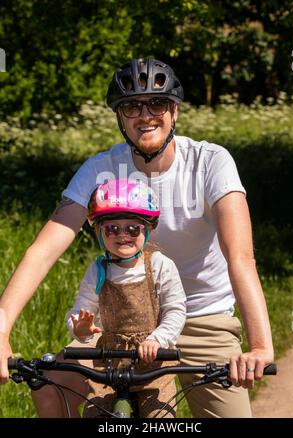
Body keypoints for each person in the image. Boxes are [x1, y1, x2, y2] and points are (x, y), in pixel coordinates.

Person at [0, 57, 274, 418]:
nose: (145, 115)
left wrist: (259, 345)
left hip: (200, 317)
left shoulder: (210, 162)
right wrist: (1, 329)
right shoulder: (101, 169)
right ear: (120, 117)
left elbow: (240, 258)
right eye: (131, 106)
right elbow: (43, 250)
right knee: (50, 387)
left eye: (157, 103)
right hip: (118, 321)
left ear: (174, 111)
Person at [66, 178, 186, 418]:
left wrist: (158, 339)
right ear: (100, 231)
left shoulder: (160, 265)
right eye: (112, 228)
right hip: (108, 364)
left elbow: (176, 309)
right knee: (95, 415)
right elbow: (81, 309)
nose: (123, 235)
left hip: (153, 363)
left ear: (147, 229)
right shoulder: (99, 269)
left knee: (160, 418)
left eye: (133, 228)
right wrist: (79, 328)